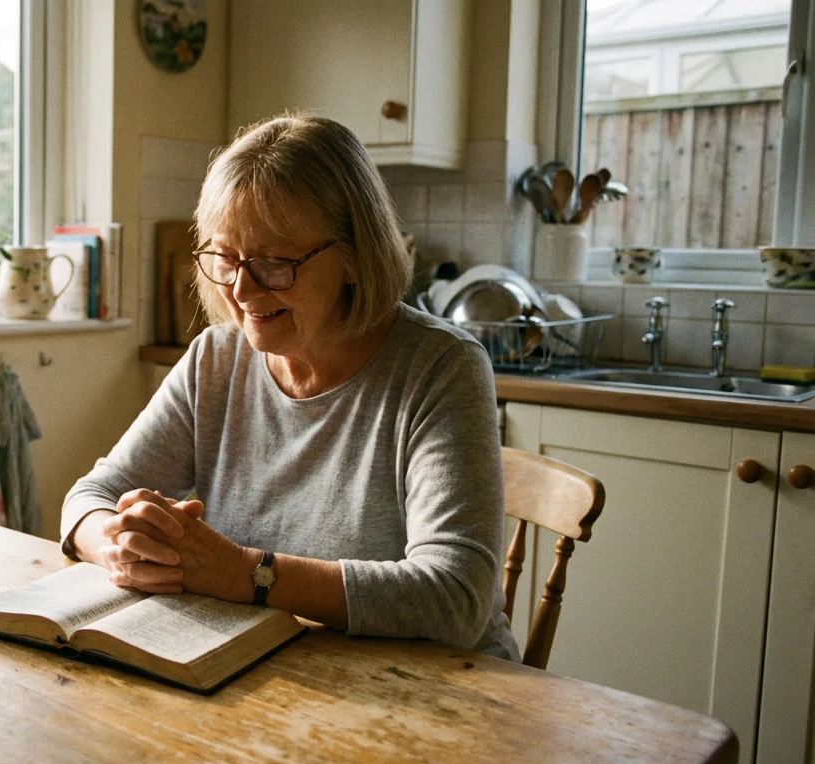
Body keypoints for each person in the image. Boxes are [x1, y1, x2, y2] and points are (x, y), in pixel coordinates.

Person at [60, 115, 519, 661]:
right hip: (275, 673)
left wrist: (246, 575)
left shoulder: (442, 368)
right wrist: (118, 545)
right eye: (226, 259)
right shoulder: (215, 359)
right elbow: (88, 498)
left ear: (355, 256)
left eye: (275, 262)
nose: (243, 288)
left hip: (444, 696)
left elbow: (455, 599)